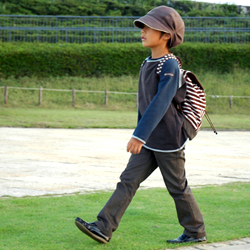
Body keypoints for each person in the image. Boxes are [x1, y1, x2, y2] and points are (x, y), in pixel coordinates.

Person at [75, 5, 207, 244]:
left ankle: (196, 232)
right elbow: (144, 105)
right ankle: (104, 228)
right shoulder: (148, 63)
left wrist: (139, 136)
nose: (143, 31)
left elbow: (159, 103)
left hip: (168, 139)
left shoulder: (169, 65)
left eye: (149, 27)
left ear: (166, 35)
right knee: (128, 181)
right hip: (149, 139)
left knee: (177, 187)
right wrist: (140, 134)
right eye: (143, 27)